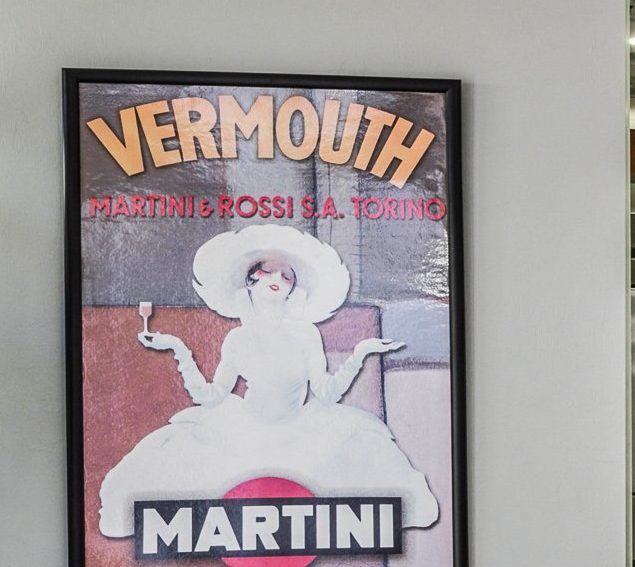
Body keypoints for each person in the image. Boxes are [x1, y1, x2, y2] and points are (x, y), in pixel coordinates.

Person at [96, 225, 446, 542]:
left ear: (294, 288)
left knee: (372, 459)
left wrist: (360, 353)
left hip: (302, 431)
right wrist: (178, 348)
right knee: (159, 468)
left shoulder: (305, 334)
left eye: (287, 275)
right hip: (243, 431)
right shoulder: (237, 339)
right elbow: (210, 397)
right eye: (267, 270)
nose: (278, 278)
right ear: (250, 281)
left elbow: (326, 394)